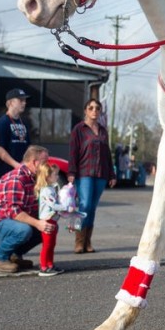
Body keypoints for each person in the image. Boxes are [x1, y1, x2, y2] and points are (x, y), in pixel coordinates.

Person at [0, 145, 53, 273]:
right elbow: (14, 212)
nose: (47, 165)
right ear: (34, 162)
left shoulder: (34, 178)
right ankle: (0, 256)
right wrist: (38, 223)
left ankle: (14, 255)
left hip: (14, 222)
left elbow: (35, 208)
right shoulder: (16, 178)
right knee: (24, 230)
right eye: (45, 162)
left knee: (48, 227)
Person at [0, 88, 32, 257]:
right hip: (2, 175)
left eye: (24, 100)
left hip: (18, 177)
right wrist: (16, 165)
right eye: (20, 100)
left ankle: (11, 246)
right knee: (2, 211)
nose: (24, 103)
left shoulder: (23, 124)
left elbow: (28, 148)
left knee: (17, 210)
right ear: (10, 102)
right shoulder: (3, 123)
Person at [68, 98, 115, 254]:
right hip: (84, 173)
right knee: (84, 205)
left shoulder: (102, 130)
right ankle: (78, 241)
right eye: (91, 108)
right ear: (85, 110)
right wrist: (71, 172)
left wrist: (112, 174)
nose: (94, 111)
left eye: (97, 108)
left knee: (92, 208)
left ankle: (87, 242)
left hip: (101, 173)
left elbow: (107, 153)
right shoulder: (78, 129)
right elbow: (73, 152)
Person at [35, 160, 84, 277]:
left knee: (51, 244)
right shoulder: (46, 191)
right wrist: (66, 207)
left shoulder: (51, 188)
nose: (57, 176)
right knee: (47, 245)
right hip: (47, 220)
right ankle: (43, 266)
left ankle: (50, 265)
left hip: (52, 220)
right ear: (47, 177)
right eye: (55, 175)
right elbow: (53, 205)